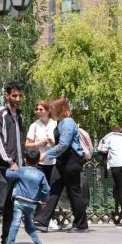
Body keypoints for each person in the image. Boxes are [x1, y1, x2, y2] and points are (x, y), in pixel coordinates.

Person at [35, 97, 89, 233]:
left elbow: (64, 144)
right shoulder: (60, 122)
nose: (50, 111)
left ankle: (81, 224)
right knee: (53, 189)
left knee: (74, 192)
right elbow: (62, 143)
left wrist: (46, 154)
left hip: (71, 161)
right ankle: (42, 221)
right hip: (61, 162)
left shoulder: (67, 122)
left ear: (59, 108)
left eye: (52, 108)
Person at [0, 82, 25, 244]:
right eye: (14, 95)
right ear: (7, 95)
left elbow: (19, 142)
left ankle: (6, 238)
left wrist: (21, 163)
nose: (17, 99)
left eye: (20, 96)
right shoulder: (0, 113)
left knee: (11, 204)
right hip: (3, 166)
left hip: (18, 166)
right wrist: (10, 161)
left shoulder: (19, 116)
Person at [3, 148, 51, 244]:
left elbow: (8, 174)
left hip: (19, 201)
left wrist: (12, 168)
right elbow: (46, 189)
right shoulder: (40, 175)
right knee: (29, 226)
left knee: (15, 223)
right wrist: (44, 200)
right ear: (38, 160)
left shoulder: (21, 170)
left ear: (25, 160)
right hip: (31, 204)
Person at [26, 100, 58, 229]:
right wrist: (38, 143)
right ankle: (38, 217)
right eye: (37, 109)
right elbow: (27, 144)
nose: (38, 112)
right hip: (39, 161)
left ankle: (48, 217)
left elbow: (62, 142)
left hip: (54, 161)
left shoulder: (55, 124)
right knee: (39, 189)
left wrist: (52, 141)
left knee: (51, 189)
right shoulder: (34, 125)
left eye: (41, 109)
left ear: (48, 110)